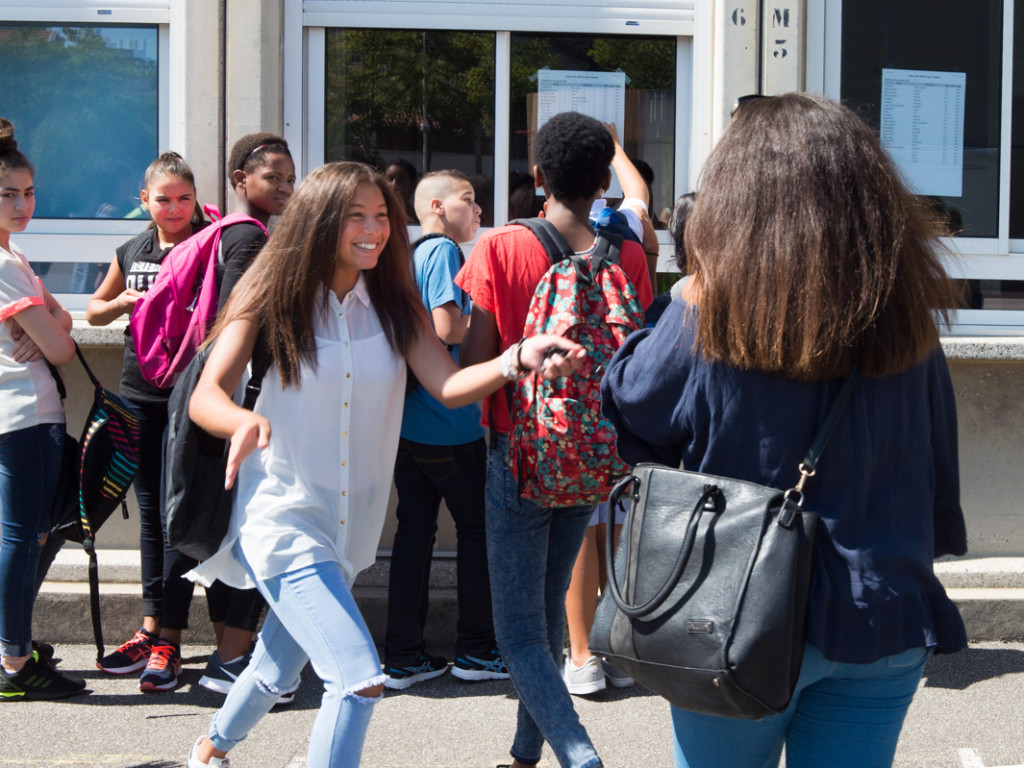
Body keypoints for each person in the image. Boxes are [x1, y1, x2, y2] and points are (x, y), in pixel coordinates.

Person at [600, 92, 967, 768]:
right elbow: (936, 447)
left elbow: (632, 413)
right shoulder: (905, 309)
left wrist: (676, 295)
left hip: (730, 610)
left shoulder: (708, 308)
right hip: (880, 606)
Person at [183, 160, 584, 768]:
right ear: (319, 223)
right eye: (356, 217)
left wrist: (518, 357)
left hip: (349, 526)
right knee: (357, 679)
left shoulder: (393, 303)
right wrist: (243, 420)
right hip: (282, 515)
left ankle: (208, 751)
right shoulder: (272, 291)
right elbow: (206, 395)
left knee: (275, 665)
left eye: (382, 217)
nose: (373, 230)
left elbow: (448, 384)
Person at [456, 111, 653, 768]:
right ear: (602, 179)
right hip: (594, 456)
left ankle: (578, 755)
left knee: (517, 636)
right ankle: (523, 754)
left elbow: (476, 368)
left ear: (536, 176)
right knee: (543, 616)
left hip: (518, 452)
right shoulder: (626, 251)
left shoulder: (503, 247)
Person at [87, 151, 209, 691]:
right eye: (163, 199)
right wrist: (122, 304)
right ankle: (148, 626)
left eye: (184, 198)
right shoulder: (132, 247)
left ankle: (171, 641)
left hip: (188, 395)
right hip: (138, 393)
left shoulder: (210, 242)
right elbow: (94, 308)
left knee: (175, 516)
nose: (174, 207)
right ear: (145, 201)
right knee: (148, 515)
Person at [382, 169, 507, 690]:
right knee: (479, 533)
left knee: (415, 536)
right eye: (469, 200)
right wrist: (488, 312)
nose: (478, 211)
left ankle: (404, 655)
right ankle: (477, 649)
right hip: (449, 426)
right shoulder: (442, 252)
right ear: (436, 206)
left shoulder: (412, 253)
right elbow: (447, 327)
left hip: (412, 424)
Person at [197, 132, 299, 700]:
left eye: (290, 178)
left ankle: (229, 656)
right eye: (272, 177)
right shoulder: (251, 238)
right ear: (241, 180)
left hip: (233, 404)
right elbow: (235, 324)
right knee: (257, 536)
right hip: (240, 406)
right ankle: (233, 660)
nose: (285, 186)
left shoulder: (228, 231)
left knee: (235, 535)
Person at [0, 117, 86, 700]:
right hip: (26, 416)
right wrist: (52, 328)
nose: (23, 203)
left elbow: (66, 321)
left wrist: (53, 324)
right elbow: (61, 344)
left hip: (24, 415)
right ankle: (13, 662)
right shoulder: (6, 265)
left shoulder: (15, 255)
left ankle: (13, 646)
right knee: (23, 537)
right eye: (9, 193)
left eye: (29, 192)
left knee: (30, 534)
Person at [385, 157, 418, 223]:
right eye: (390, 179)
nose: (394, 184)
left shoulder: (418, 218)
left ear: (412, 185)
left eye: (400, 180)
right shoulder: (376, 214)